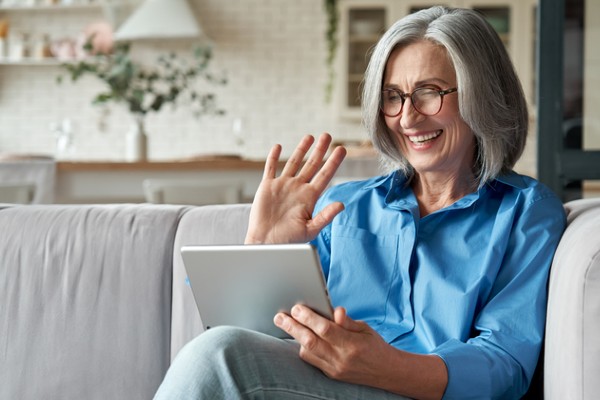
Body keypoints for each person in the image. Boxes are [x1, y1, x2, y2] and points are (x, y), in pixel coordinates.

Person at [154, 6, 566, 399]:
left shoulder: (525, 212)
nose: (407, 118)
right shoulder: (343, 205)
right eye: (393, 96)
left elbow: (506, 365)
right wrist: (263, 245)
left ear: (482, 94)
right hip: (316, 388)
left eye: (428, 92)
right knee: (221, 348)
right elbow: (263, 337)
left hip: (423, 393)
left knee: (221, 355)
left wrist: (386, 367)